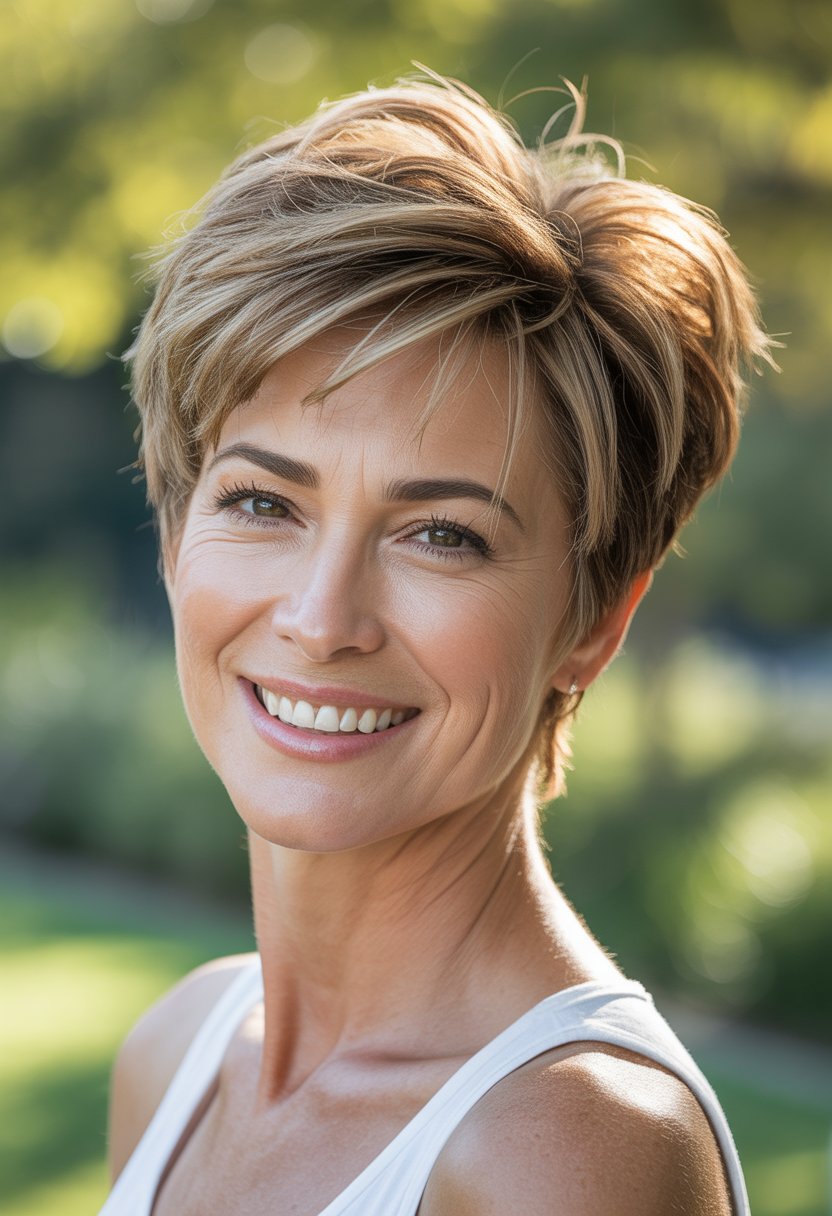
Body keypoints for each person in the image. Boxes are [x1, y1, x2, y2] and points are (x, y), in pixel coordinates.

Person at [101, 72, 772, 1215]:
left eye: (442, 535)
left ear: (596, 618)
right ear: (174, 530)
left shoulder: (564, 1150)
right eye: (264, 502)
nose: (320, 617)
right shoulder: (177, 1057)